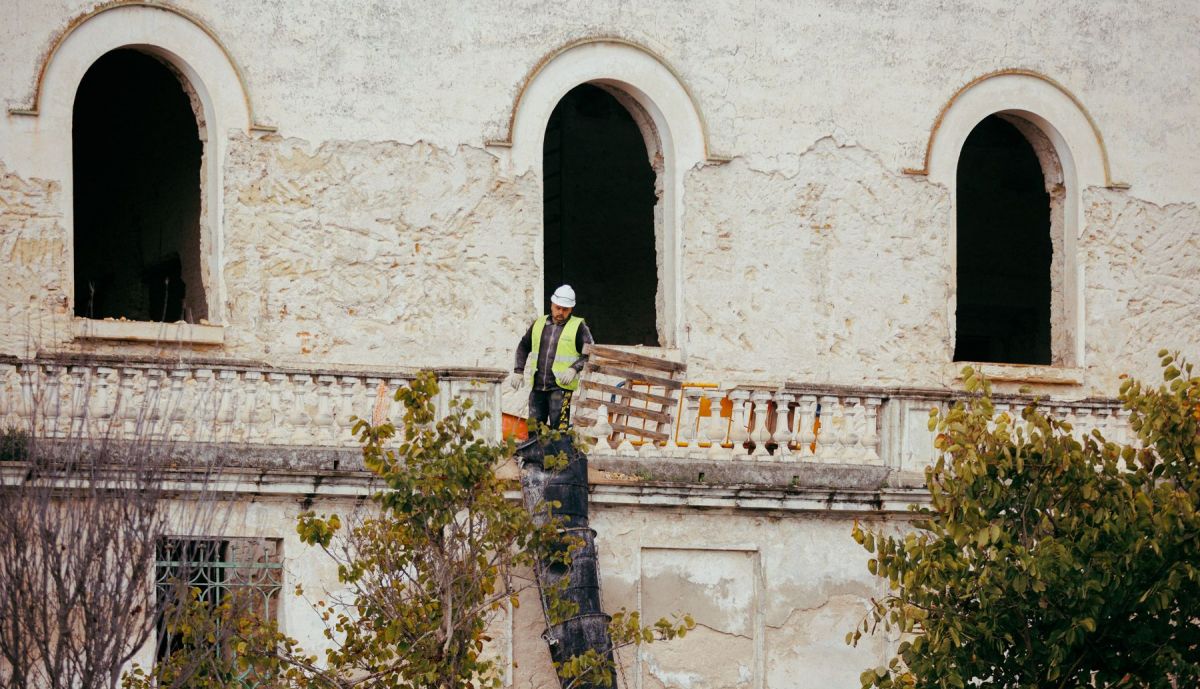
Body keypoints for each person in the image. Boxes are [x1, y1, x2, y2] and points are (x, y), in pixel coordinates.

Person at [509, 284, 594, 433]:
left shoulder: (579, 327)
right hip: (538, 387)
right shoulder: (539, 323)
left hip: (561, 389)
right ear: (552, 304)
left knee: (558, 433)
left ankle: (557, 457)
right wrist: (518, 370)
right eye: (558, 308)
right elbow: (524, 346)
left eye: (565, 309)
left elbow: (590, 353)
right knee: (534, 430)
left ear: (571, 309)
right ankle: (534, 456)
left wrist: (574, 368)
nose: (560, 312)